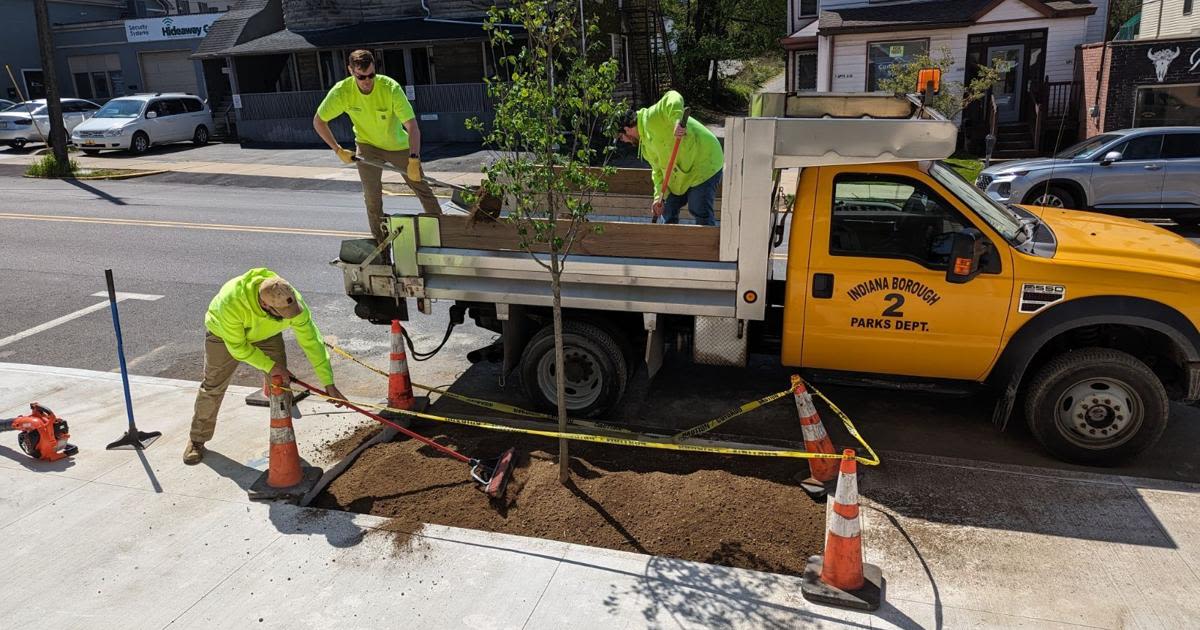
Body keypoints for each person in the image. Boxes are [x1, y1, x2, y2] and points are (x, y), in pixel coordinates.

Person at [184, 268, 345, 465]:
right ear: (265, 305)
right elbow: (238, 348)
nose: (289, 317)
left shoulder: (289, 299)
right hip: (224, 336)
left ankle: (285, 439)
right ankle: (197, 440)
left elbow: (312, 342)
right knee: (213, 386)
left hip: (266, 334)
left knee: (282, 385)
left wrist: (328, 382)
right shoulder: (232, 301)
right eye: (283, 314)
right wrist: (270, 366)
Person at [312, 49, 441, 245]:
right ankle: (381, 243)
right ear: (350, 71)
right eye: (361, 76)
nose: (367, 80)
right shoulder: (342, 92)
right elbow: (319, 122)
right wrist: (338, 149)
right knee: (372, 198)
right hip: (367, 145)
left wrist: (414, 158)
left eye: (371, 75)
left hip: (397, 145)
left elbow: (412, 127)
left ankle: (441, 230)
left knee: (420, 186)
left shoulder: (390, 88)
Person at [616, 90, 724, 226]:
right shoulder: (644, 146)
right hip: (682, 173)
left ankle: (706, 245)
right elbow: (658, 172)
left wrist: (676, 121)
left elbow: (673, 96)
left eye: (621, 137)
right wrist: (658, 198)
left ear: (626, 129)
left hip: (705, 161)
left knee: (698, 207)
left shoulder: (651, 116)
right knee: (668, 208)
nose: (624, 141)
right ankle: (670, 243)